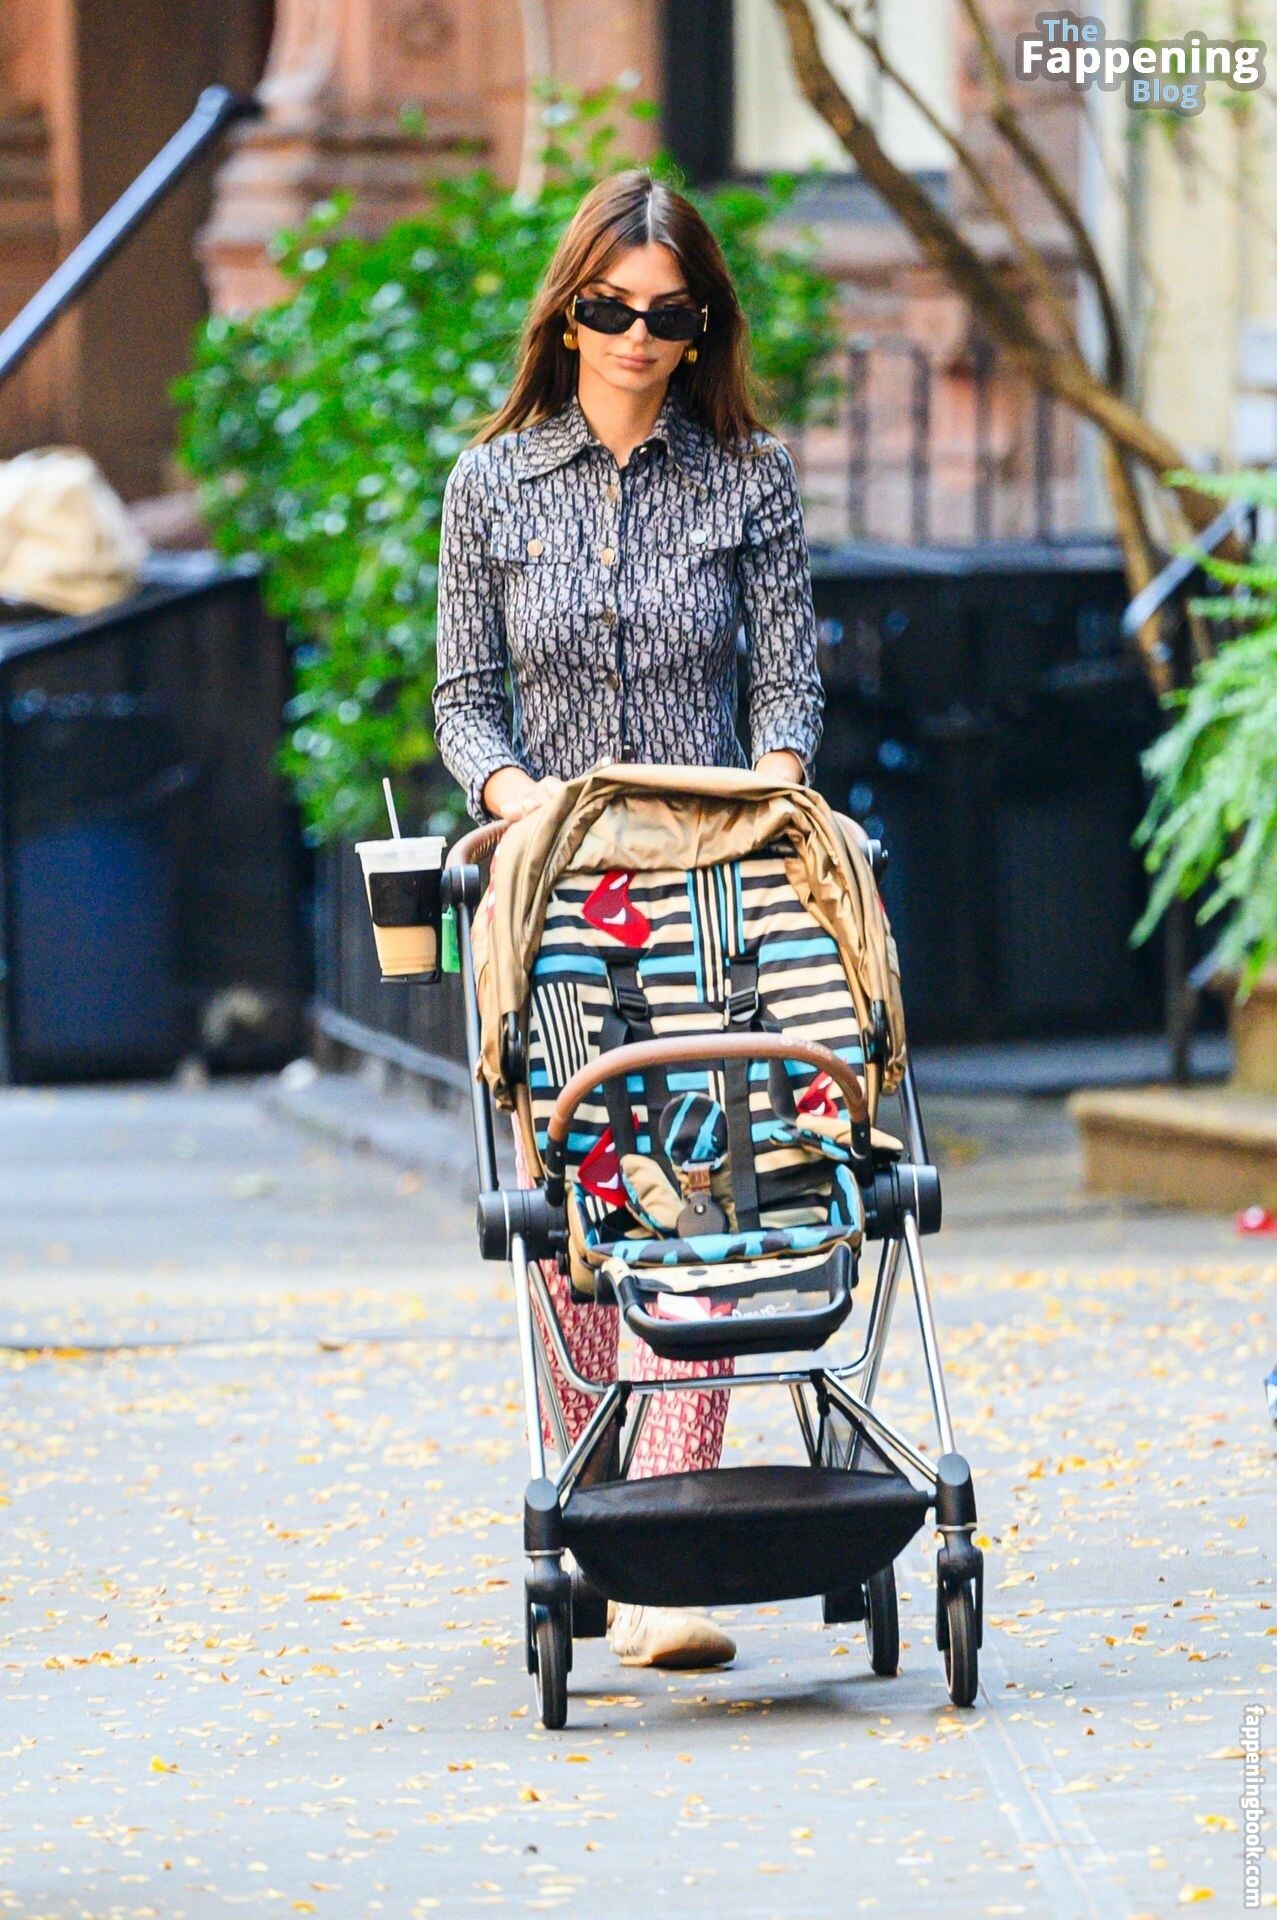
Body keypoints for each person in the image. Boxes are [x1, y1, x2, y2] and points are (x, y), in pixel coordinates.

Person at [433, 168, 824, 1671]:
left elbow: (786, 683)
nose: (638, 337)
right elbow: (464, 701)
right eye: (610, 309)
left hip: (709, 881)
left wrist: (777, 785)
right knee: (575, 1200)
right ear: (568, 314)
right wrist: (515, 795)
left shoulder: (750, 479)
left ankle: (674, 1555)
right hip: (555, 882)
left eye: (670, 315)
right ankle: (599, 1502)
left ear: (702, 325)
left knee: (706, 1186)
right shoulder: (491, 485)